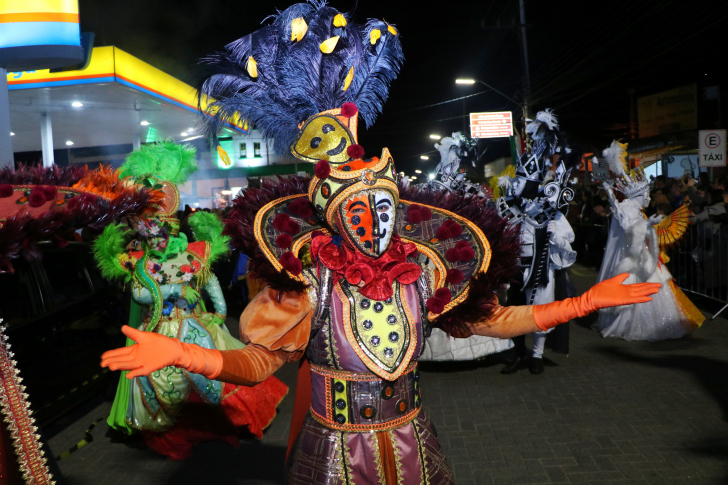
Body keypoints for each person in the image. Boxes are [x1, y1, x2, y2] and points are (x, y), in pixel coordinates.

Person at [100, 4, 660, 483]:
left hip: (411, 443)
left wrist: (581, 304)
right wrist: (184, 354)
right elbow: (256, 364)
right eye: (358, 211)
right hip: (333, 454)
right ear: (334, 219)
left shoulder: (422, 272)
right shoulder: (309, 280)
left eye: (384, 208)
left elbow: (494, 321)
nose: (373, 222)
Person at [95, 142, 287, 459]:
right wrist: (172, 291)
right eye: (157, 235)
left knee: (210, 379)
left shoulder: (192, 255)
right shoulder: (140, 261)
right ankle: (176, 433)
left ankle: (217, 425)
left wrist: (221, 311)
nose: (164, 240)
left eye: (169, 233)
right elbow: (140, 294)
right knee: (168, 388)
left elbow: (209, 282)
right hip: (158, 332)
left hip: (196, 327)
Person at [594, 141, 704, 341]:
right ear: (637, 195)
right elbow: (631, 231)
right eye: (645, 194)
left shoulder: (635, 209)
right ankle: (632, 324)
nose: (648, 198)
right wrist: (649, 227)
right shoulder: (628, 208)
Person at [497, 110, 580, 375]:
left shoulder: (549, 211)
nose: (519, 190)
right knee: (514, 312)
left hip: (541, 267)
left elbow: (567, 241)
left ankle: (537, 355)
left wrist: (553, 230)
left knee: (539, 312)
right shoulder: (511, 209)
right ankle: (518, 354)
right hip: (515, 267)